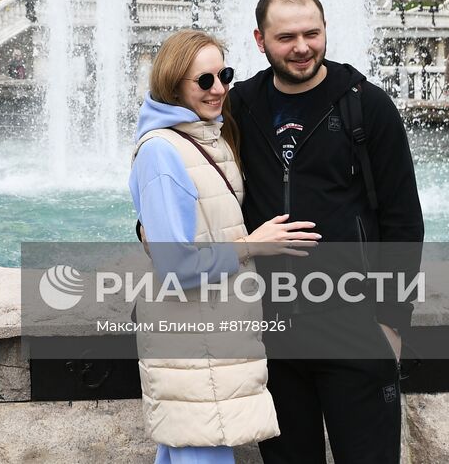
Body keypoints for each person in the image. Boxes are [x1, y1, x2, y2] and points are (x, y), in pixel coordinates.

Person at [227, 0, 424, 464]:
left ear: (325, 30)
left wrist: (392, 323)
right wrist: (149, 226)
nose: (301, 47)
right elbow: (195, 178)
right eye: (286, 37)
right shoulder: (239, 106)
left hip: (352, 326)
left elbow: (403, 220)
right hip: (270, 329)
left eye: (312, 33)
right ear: (260, 40)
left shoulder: (366, 105)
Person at [130, 29, 317, 463]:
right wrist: (251, 245)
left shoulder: (208, 139)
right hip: (194, 340)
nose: (219, 89)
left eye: (225, 75)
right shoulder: (163, 151)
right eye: (204, 81)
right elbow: (175, 265)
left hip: (213, 334)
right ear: (174, 84)